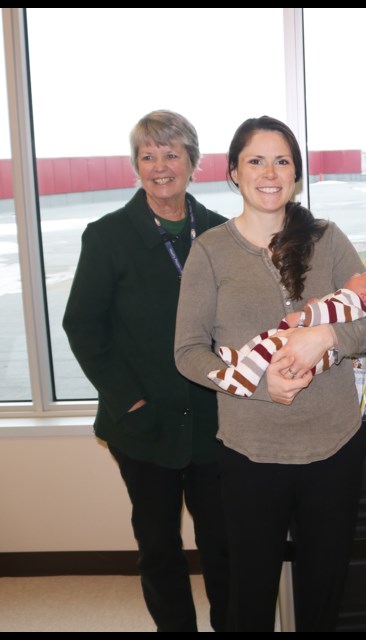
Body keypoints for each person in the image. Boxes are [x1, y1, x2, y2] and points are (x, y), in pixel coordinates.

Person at [174, 115, 366, 632]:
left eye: (282, 161)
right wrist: (258, 384)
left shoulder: (327, 238)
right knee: (248, 599)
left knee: (324, 594)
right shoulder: (210, 250)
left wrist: (329, 338)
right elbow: (188, 351)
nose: (269, 172)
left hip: (334, 449)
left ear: (296, 174)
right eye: (255, 160)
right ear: (234, 172)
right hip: (251, 455)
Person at [62, 110, 229, 632]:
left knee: (225, 548)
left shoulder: (224, 234)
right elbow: (84, 327)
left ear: (193, 162)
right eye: (148, 155)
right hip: (142, 424)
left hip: (215, 424)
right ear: (136, 165)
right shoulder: (108, 236)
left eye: (171, 153)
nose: (160, 166)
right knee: (159, 548)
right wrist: (129, 403)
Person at [209, 269, 366, 397]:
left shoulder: (351, 302)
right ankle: (243, 359)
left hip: (305, 350)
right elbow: (330, 311)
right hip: (301, 344)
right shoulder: (351, 303)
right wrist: (316, 306)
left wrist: (304, 317)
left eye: (362, 274)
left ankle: (244, 380)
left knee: (270, 344)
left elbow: (332, 312)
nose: (356, 272)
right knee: (267, 338)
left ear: (365, 295)